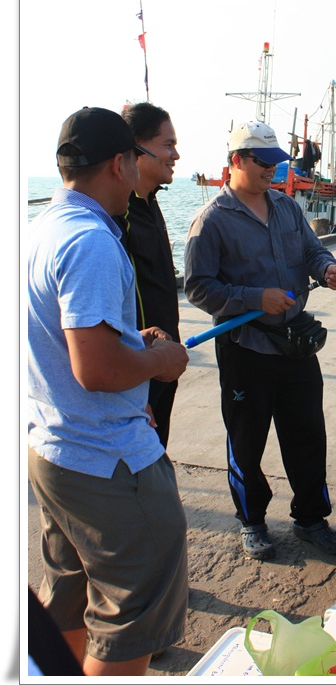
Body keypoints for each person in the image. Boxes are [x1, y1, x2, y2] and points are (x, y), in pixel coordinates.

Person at [28, 107, 190, 676]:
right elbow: (94, 369)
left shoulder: (42, 228)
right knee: (129, 617)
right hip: (105, 460)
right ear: (120, 164)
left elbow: (62, 336)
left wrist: (131, 341)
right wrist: (160, 360)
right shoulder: (92, 240)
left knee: (69, 595)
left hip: (54, 450)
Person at [184, 121, 336, 560]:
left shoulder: (287, 207)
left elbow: (313, 251)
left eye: (277, 163)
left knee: (308, 435)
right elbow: (199, 288)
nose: (273, 171)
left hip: (296, 346)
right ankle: (252, 521)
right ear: (237, 161)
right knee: (246, 441)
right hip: (245, 351)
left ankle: (311, 518)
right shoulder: (211, 221)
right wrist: (256, 298)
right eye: (264, 163)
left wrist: (327, 269)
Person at [114, 101, 181, 447]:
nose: (176, 155)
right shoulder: (120, 216)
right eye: (167, 144)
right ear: (137, 149)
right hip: (138, 371)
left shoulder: (150, 204)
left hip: (162, 366)